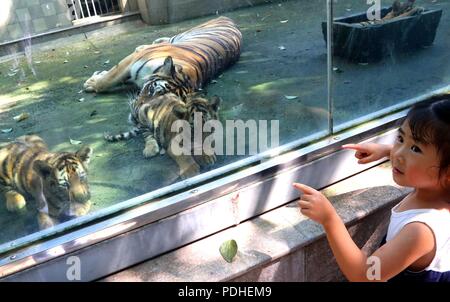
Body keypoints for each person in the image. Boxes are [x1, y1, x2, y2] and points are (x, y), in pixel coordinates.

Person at [293, 94, 450, 282]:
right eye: (400, 138)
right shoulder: (436, 191)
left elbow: (364, 275)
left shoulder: (420, 231)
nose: (398, 153)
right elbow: (414, 159)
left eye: (415, 149)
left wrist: (330, 219)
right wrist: (385, 151)